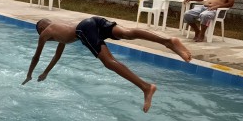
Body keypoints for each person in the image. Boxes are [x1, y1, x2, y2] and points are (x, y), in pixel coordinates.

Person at [22, 17, 192, 113]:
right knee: (128, 33)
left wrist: (29, 74)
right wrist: (45, 73)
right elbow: (57, 56)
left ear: (41, 28)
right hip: (93, 21)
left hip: (83, 29)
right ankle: (168, 41)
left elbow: (36, 57)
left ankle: (146, 87)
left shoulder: (45, 32)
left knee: (109, 62)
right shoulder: (60, 28)